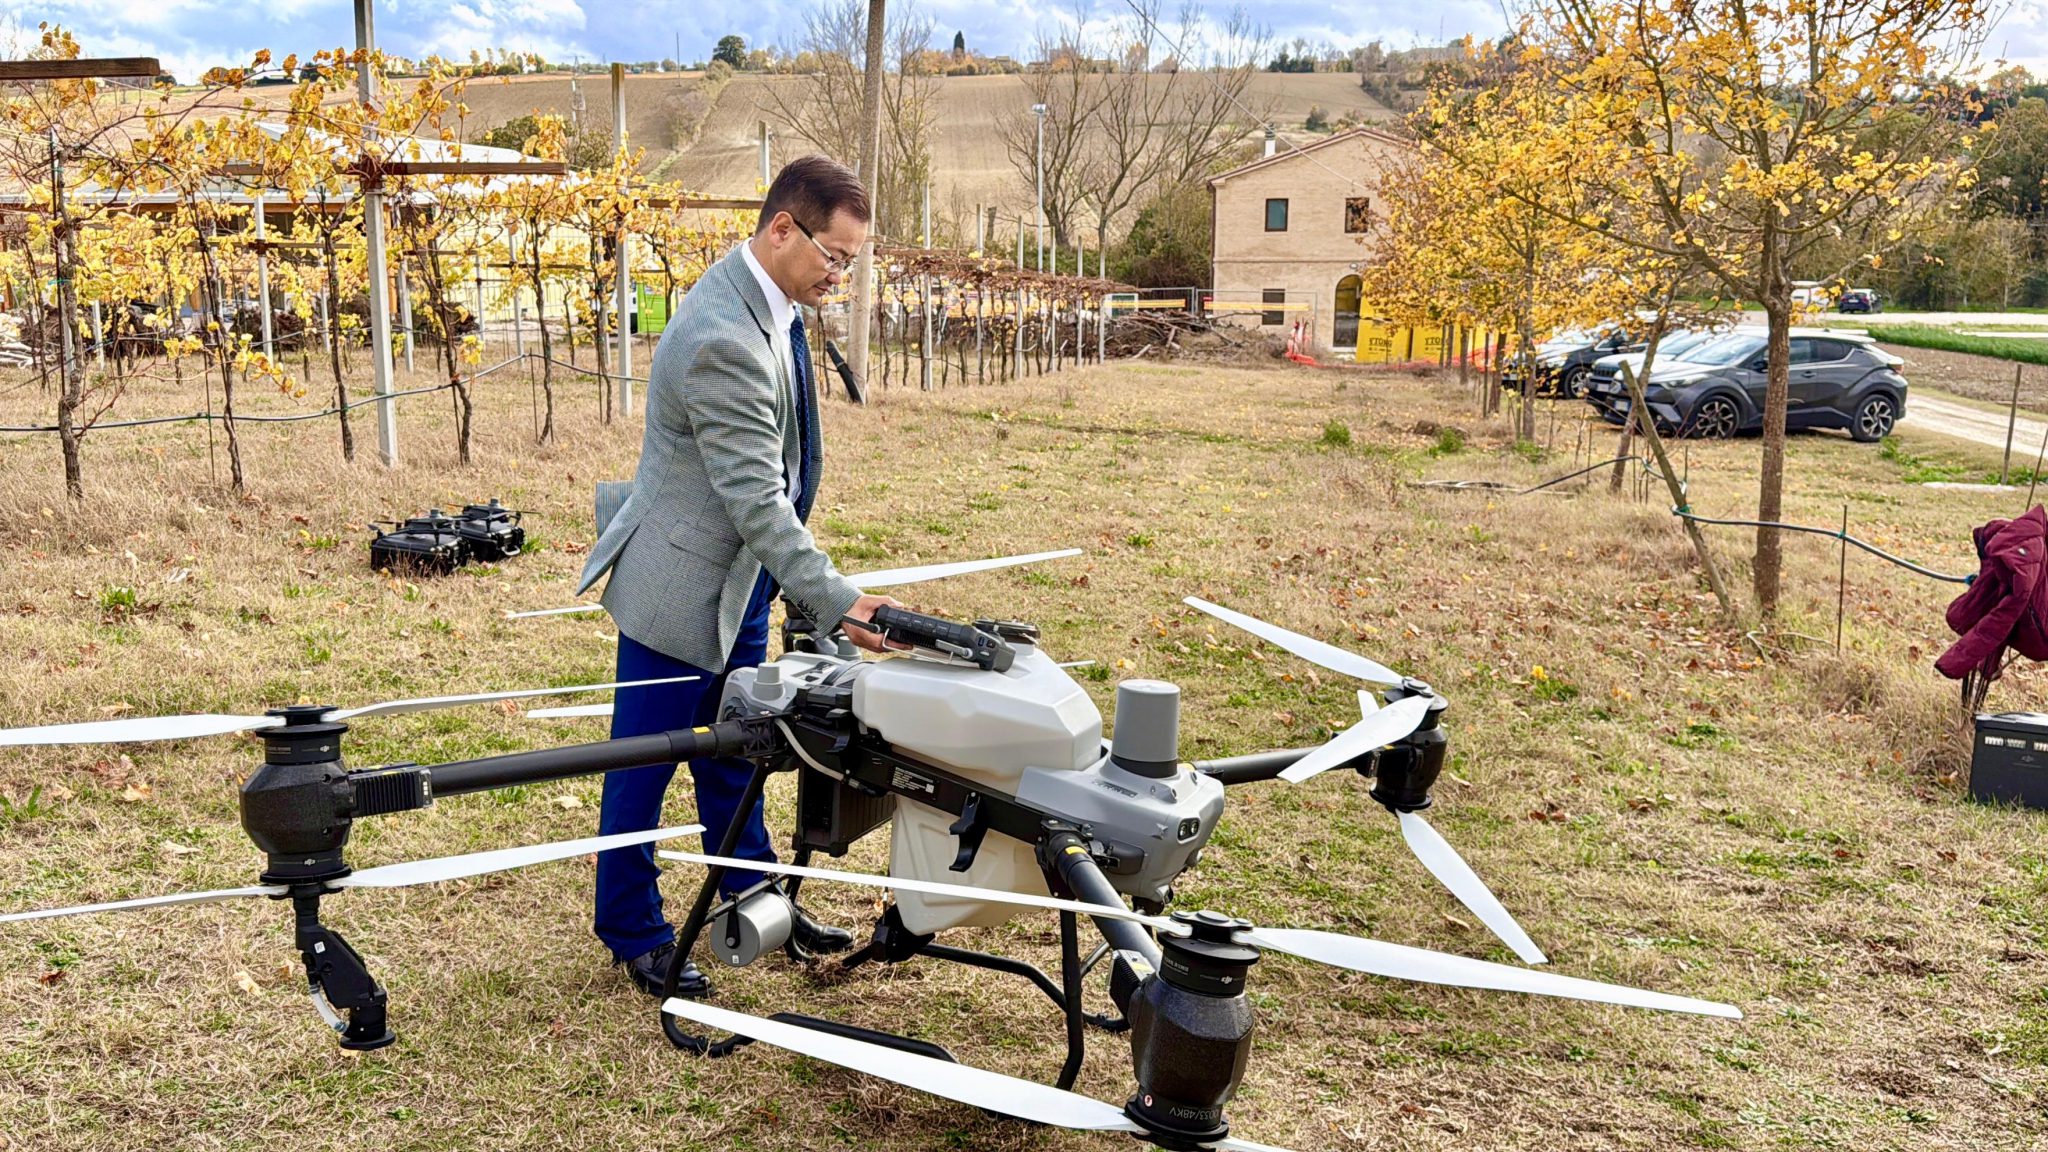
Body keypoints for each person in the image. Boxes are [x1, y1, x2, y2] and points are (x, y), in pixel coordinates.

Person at [575, 155, 899, 997]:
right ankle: (634, 932)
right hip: (680, 586)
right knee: (644, 765)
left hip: (742, 580)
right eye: (834, 256)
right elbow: (756, 497)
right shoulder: (722, 335)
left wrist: (791, 586)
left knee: (739, 748)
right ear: (782, 229)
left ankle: (756, 902)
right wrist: (838, 600)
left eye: (851, 262)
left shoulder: (774, 303)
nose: (840, 275)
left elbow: (783, 475)